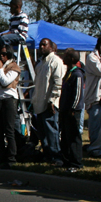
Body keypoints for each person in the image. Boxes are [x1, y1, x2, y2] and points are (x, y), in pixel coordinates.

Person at [32, 38, 65, 166]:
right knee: (42, 132)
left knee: (52, 131)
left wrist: (52, 100)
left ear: (51, 47)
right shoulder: (40, 63)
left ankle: (56, 156)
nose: (41, 47)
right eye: (40, 45)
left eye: (44, 45)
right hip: (38, 103)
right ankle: (47, 155)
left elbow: (58, 83)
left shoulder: (55, 61)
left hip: (49, 103)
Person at [0, 45, 20, 169]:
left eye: (3, 54)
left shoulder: (14, 67)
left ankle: (11, 158)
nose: (1, 56)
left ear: (8, 54)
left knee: (9, 129)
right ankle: (1, 156)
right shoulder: (3, 67)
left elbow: (5, 82)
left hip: (9, 99)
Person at [84, 36, 101, 157]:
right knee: (95, 126)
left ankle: (100, 148)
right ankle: (94, 149)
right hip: (94, 97)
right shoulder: (91, 57)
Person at [59, 48, 85, 171]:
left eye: (66, 56)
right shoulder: (68, 73)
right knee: (65, 136)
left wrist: (74, 108)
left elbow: (78, 93)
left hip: (72, 111)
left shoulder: (77, 74)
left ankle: (76, 163)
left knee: (74, 137)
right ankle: (66, 160)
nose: (63, 58)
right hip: (64, 109)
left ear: (72, 59)